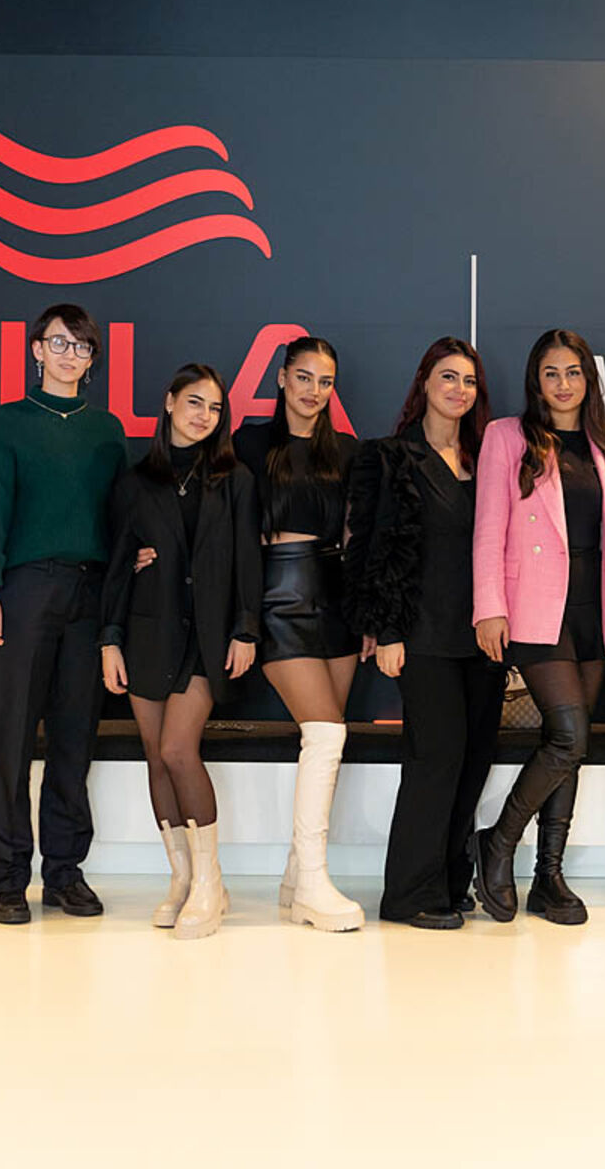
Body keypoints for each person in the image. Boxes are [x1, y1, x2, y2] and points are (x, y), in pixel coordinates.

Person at [0, 303, 127, 925]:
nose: (69, 355)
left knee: (74, 739)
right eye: (58, 343)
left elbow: (120, 513)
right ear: (36, 350)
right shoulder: (9, 422)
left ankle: (64, 871)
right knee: (10, 739)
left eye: (81, 347)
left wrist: (135, 555)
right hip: (23, 588)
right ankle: (7, 879)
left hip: (88, 593)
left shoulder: (106, 429)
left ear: (92, 359)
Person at [471, 329, 605, 925]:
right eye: (551, 373)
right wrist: (489, 607)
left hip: (592, 609)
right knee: (569, 735)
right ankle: (497, 843)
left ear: (588, 380)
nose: (563, 384)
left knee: (571, 744)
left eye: (573, 372)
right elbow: (488, 528)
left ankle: (549, 876)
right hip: (535, 608)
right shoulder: (506, 437)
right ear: (535, 381)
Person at [345, 337, 507, 930]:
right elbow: (370, 548)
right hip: (420, 635)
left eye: (469, 380)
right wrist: (384, 629)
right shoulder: (389, 456)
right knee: (435, 757)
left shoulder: (488, 459)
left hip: (482, 638)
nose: (459, 389)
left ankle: (449, 882)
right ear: (424, 383)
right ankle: (408, 894)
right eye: (448, 377)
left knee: (472, 760)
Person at [100, 365, 260, 940]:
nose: (204, 416)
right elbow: (117, 565)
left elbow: (249, 560)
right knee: (154, 754)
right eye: (194, 403)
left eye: (214, 408)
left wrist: (246, 629)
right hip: (148, 631)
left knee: (177, 749)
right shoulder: (135, 482)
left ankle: (211, 883)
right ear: (169, 402)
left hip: (208, 637)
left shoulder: (235, 479)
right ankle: (183, 877)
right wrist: (110, 638)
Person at [234, 337, 365, 932]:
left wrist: (367, 614)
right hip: (277, 594)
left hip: (336, 596)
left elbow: (358, 537)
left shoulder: (349, 451)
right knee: (326, 733)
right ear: (282, 378)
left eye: (325, 381)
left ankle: (296, 877)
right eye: (305, 377)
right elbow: (226, 528)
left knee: (326, 742)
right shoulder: (249, 444)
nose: (314, 391)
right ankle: (313, 882)